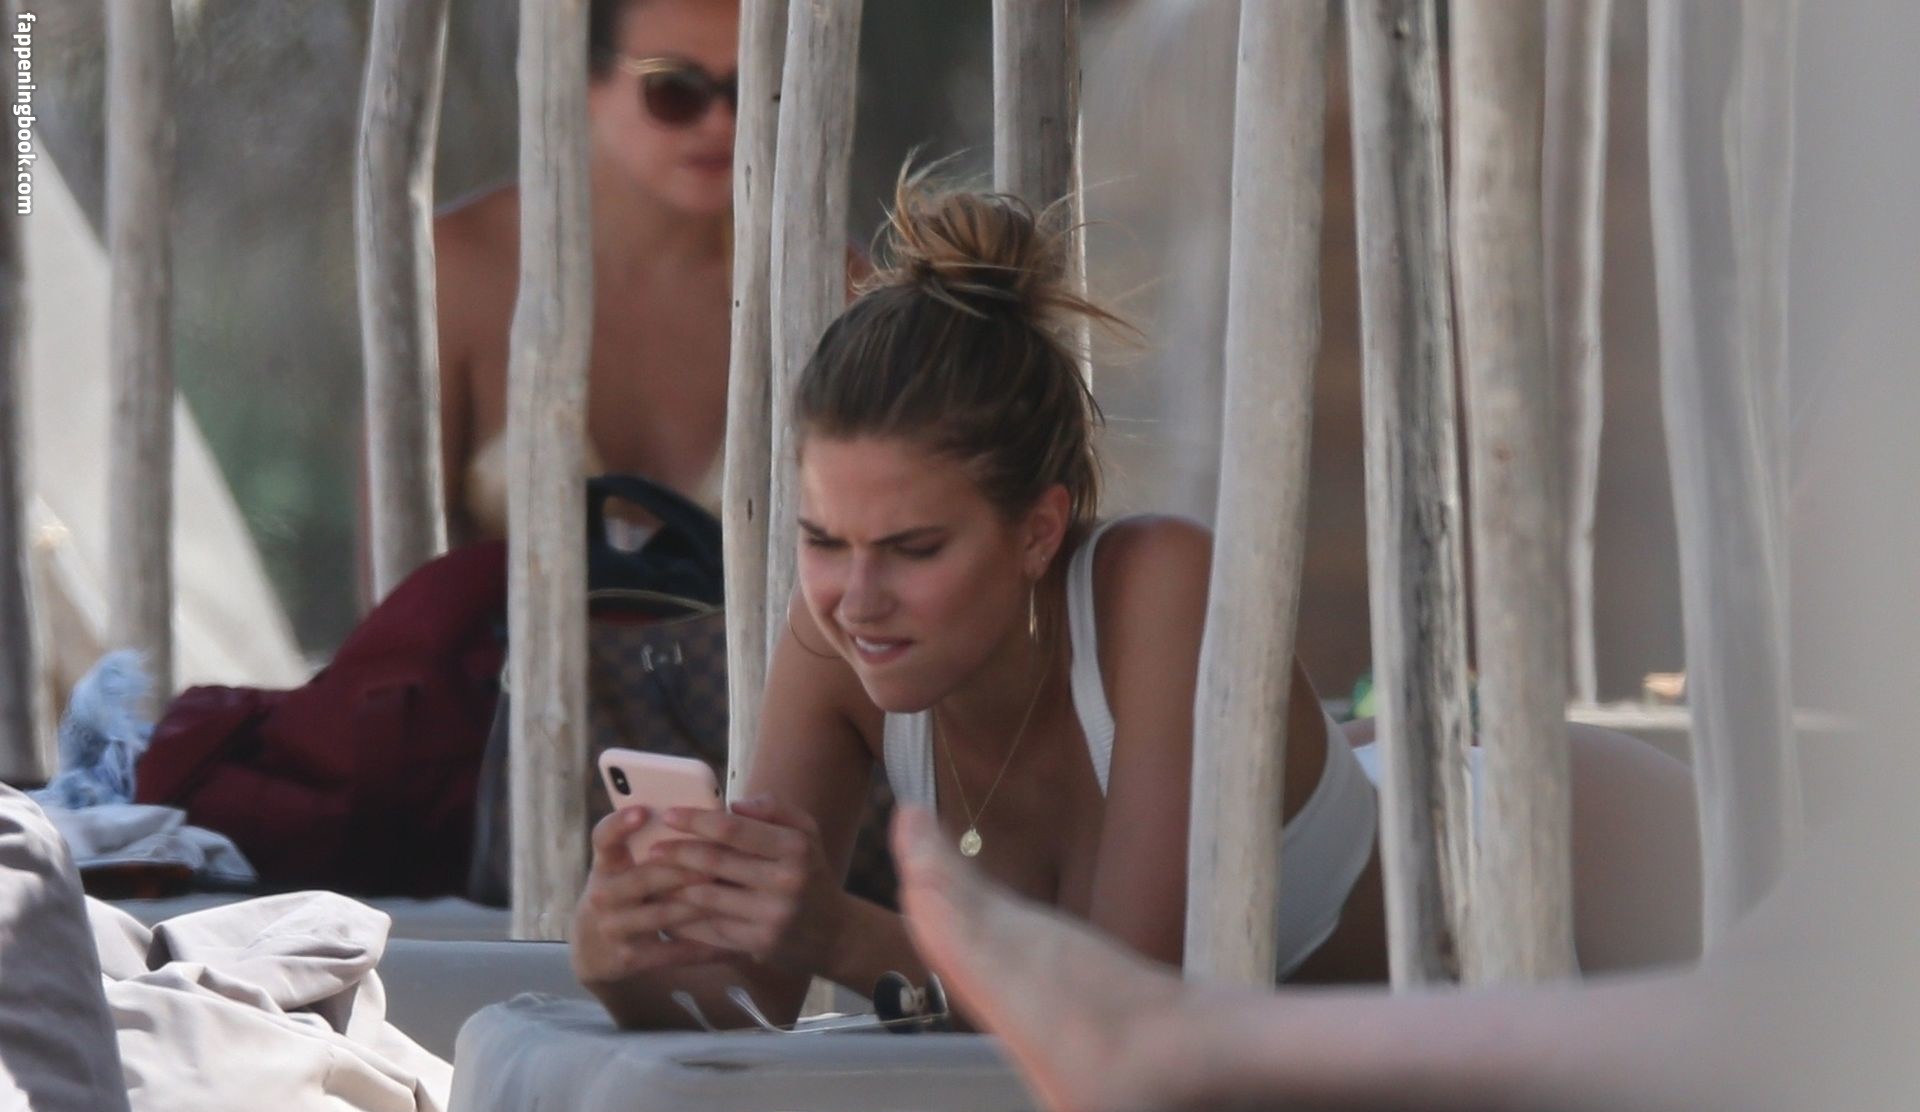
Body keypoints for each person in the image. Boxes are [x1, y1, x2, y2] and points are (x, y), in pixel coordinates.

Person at [569, 172, 1701, 1030]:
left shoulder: (1160, 589)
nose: (856, 597)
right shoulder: (836, 639)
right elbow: (748, 1001)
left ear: (1039, 530)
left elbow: (1126, 1011)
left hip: (1586, 867)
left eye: (914, 548)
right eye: (823, 541)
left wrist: (843, 933)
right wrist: (625, 959)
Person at [432, 0, 738, 546]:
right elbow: (393, 560)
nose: (721, 121)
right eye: (675, 88)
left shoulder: (830, 289)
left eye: (749, 89)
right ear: (586, 80)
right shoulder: (463, 267)